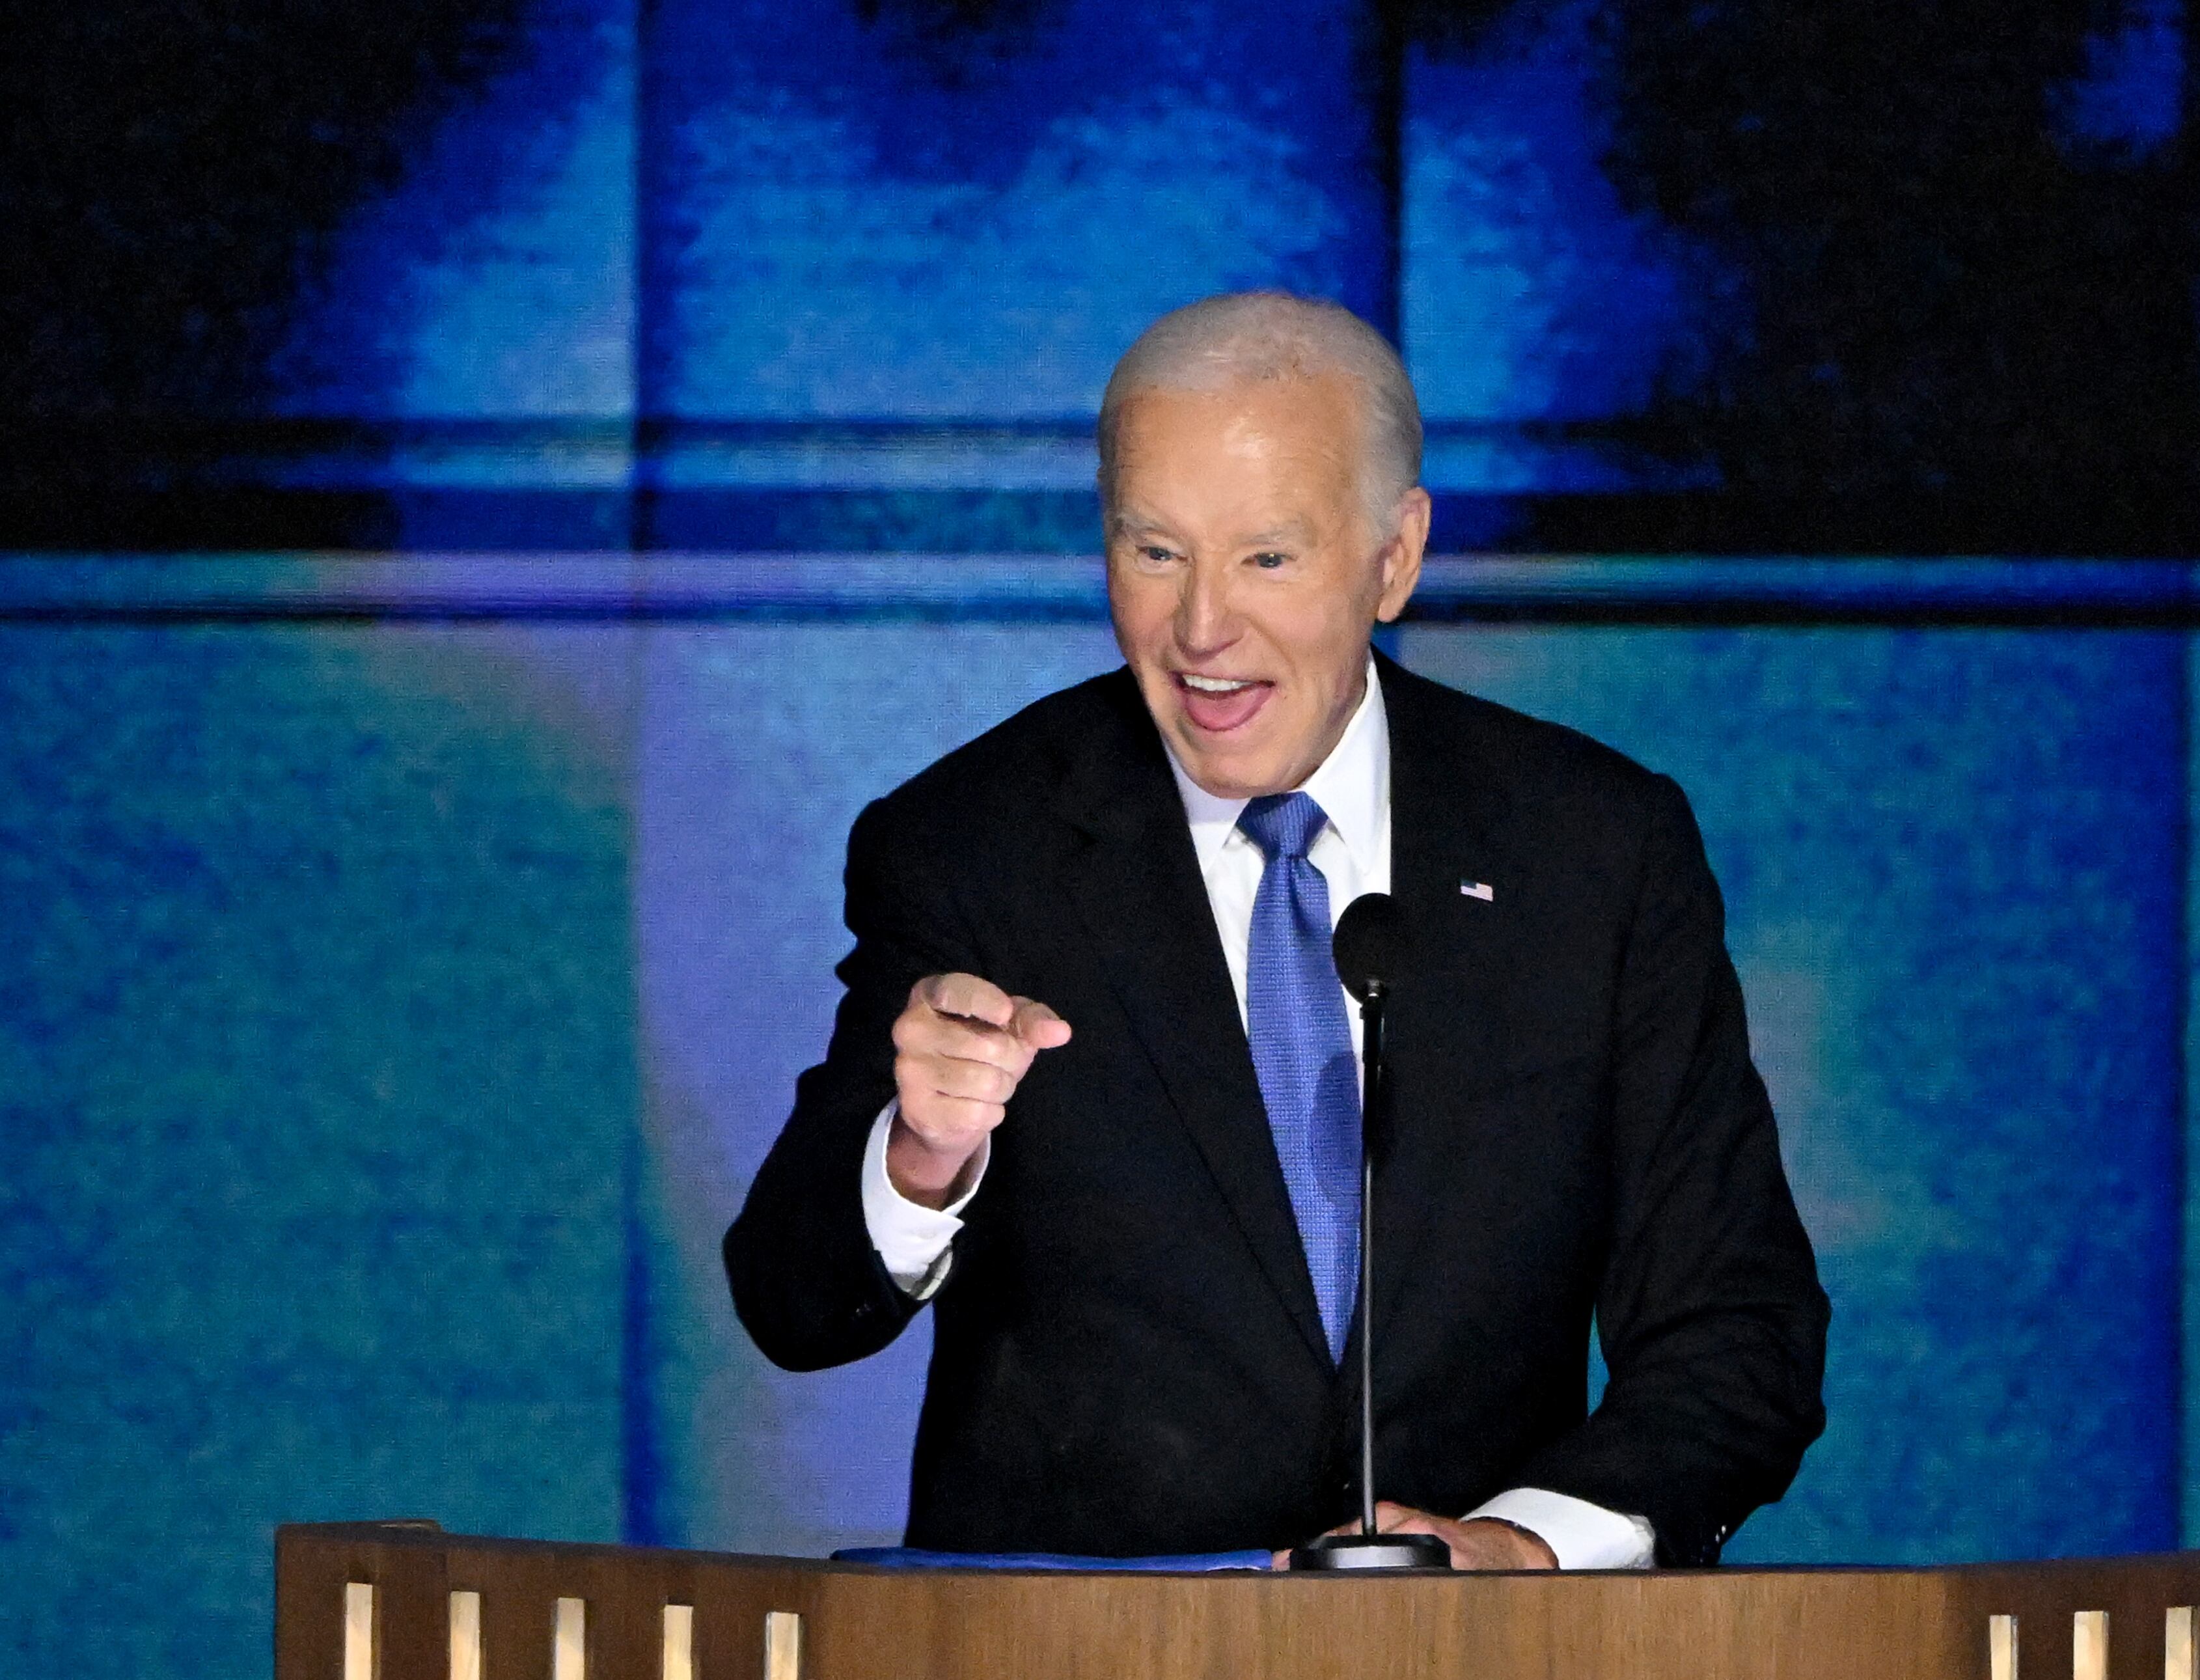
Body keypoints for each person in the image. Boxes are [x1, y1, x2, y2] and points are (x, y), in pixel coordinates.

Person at [724, 292, 1828, 1570]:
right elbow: (795, 1306)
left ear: (1395, 557)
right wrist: (919, 1158)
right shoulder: (975, 845)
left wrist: (1520, 1550)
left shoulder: (1595, 852)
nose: (1201, 631)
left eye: (1267, 558)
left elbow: (1735, 1330)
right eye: (1153, 553)